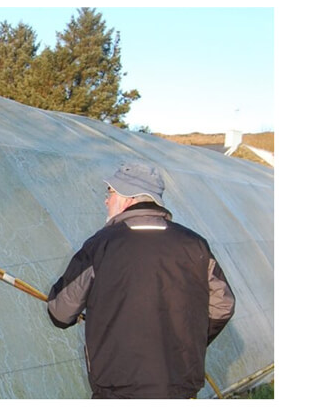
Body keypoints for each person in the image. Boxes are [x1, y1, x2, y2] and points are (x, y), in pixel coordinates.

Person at [47, 161, 235, 399]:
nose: (106, 200)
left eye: (111, 192)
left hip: (118, 389)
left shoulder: (101, 245)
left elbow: (60, 312)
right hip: (180, 387)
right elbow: (223, 305)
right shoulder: (194, 244)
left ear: (129, 196)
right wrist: (189, 339)